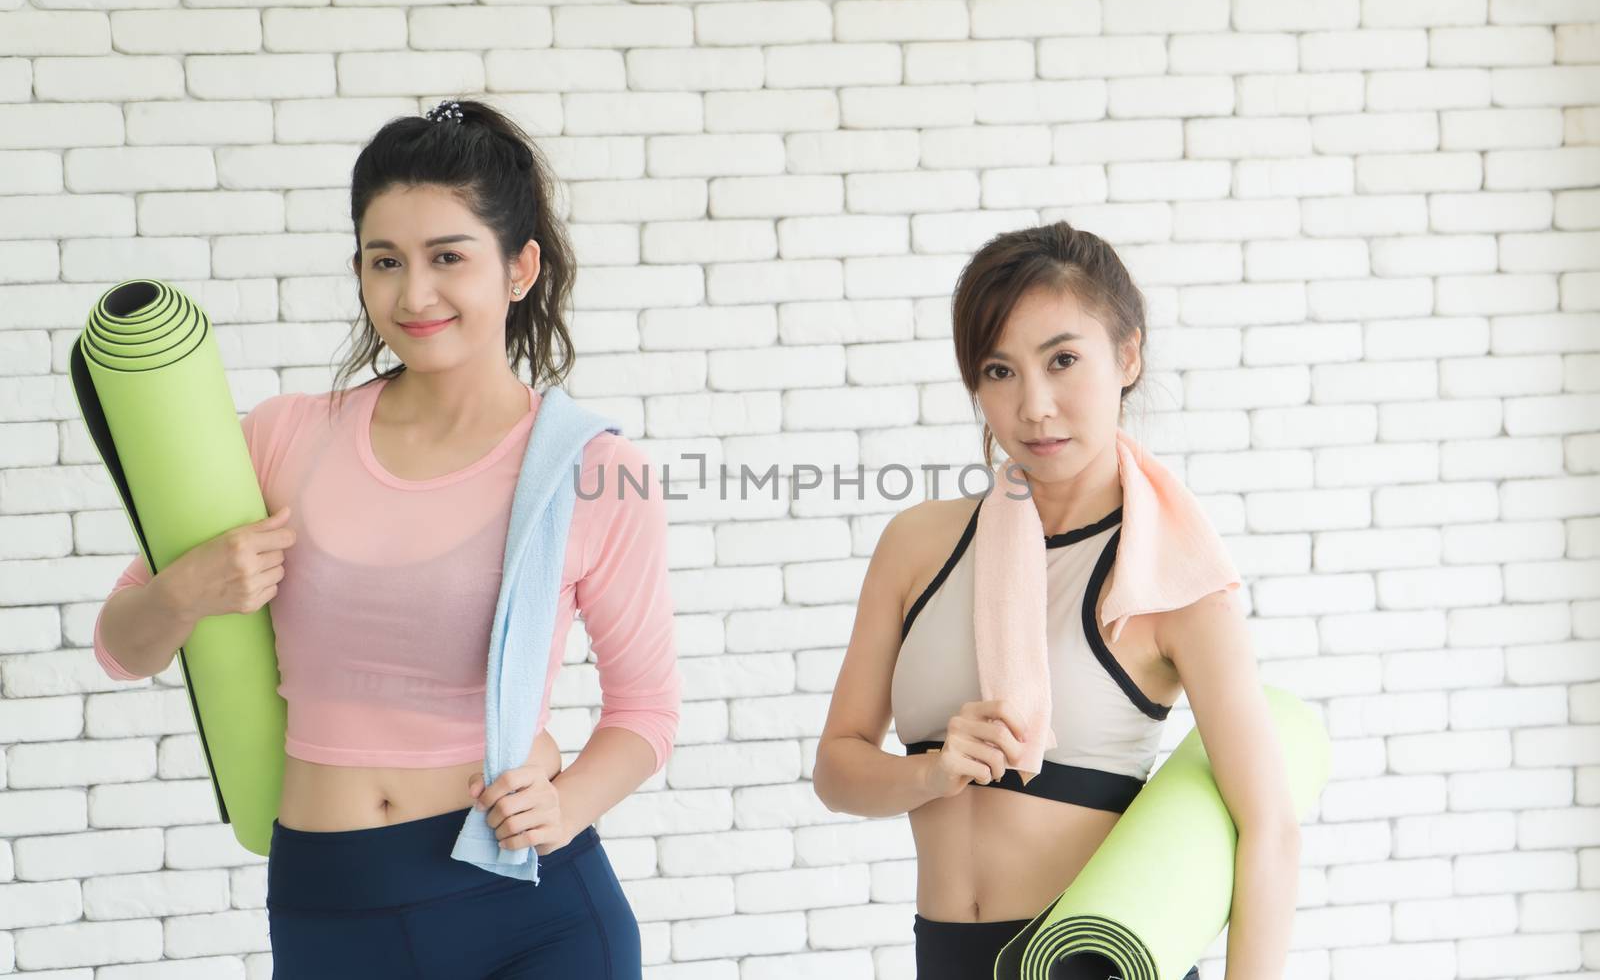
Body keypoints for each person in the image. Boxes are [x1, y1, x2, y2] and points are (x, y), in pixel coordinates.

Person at [93, 97, 680, 978]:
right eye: (385, 261)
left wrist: (568, 806)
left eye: (449, 257)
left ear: (519, 268)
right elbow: (118, 647)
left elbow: (646, 710)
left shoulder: (591, 470)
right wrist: (185, 590)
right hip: (328, 902)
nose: (414, 294)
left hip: (528, 906)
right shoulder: (284, 436)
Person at [812, 222, 1301, 980]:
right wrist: (932, 772)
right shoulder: (917, 545)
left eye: (1063, 360)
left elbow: (1268, 826)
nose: (1033, 406)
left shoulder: (1170, 581)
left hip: (1091, 961)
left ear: (1127, 356)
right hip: (944, 959)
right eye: (999, 370)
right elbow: (837, 768)